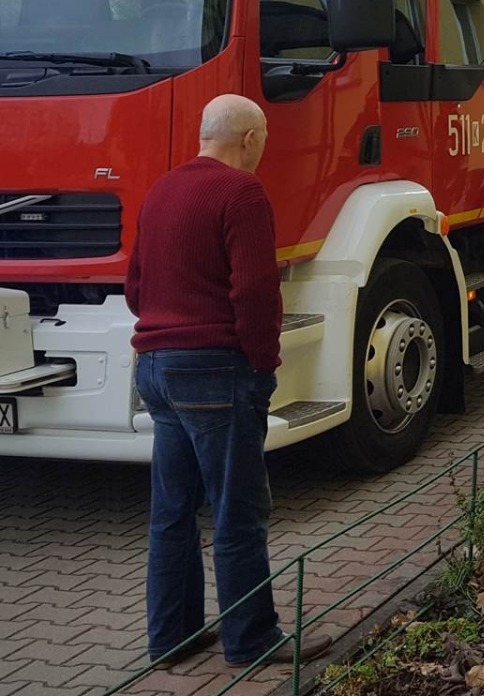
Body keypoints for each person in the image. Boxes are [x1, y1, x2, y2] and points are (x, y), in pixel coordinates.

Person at [127, 94, 331, 670]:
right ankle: (251, 638)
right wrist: (263, 363)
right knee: (237, 509)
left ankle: (172, 637)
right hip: (216, 369)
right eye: (261, 142)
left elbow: (135, 286)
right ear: (247, 139)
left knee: (172, 510)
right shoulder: (241, 192)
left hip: (157, 367)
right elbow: (255, 291)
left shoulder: (162, 189)